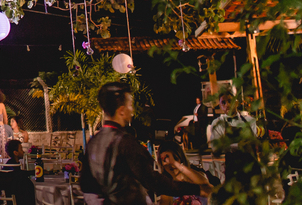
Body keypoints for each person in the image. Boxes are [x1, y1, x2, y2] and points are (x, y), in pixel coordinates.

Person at [80, 81, 209, 205]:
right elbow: (154, 181)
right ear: (121, 111)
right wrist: (197, 190)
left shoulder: (93, 143)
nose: (132, 111)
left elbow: (86, 185)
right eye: (130, 105)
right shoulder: (125, 142)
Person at [208, 92, 259, 202]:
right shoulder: (218, 123)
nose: (227, 105)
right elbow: (215, 148)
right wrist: (236, 145)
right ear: (220, 106)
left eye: (230, 101)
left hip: (252, 169)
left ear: (236, 102)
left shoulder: (250, 121)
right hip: (234, 171)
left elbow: (253, 142)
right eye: (223, 102)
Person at [156, 138, 218, 205]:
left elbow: (205, 183)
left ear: (181, 157)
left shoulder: (193, 175)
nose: (171, 164)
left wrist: (176, 163)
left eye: (175, 158)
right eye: (165, 160)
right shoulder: (167, 186)